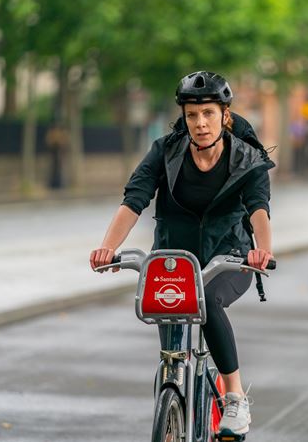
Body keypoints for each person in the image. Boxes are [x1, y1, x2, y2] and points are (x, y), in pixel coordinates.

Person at [90, 71, 275, 437]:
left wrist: (263, 251)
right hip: (174, 260)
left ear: (225, 115)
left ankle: (235, 397)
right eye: (192, 115)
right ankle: (174, 398)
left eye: (208, 113)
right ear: (184, 118)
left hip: (230, 258)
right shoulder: (165, 151)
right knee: (171, 332)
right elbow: (134, 199)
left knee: (206, 299)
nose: (200, 123)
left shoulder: (246, 159)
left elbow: (258, 208)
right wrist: (108, 247)